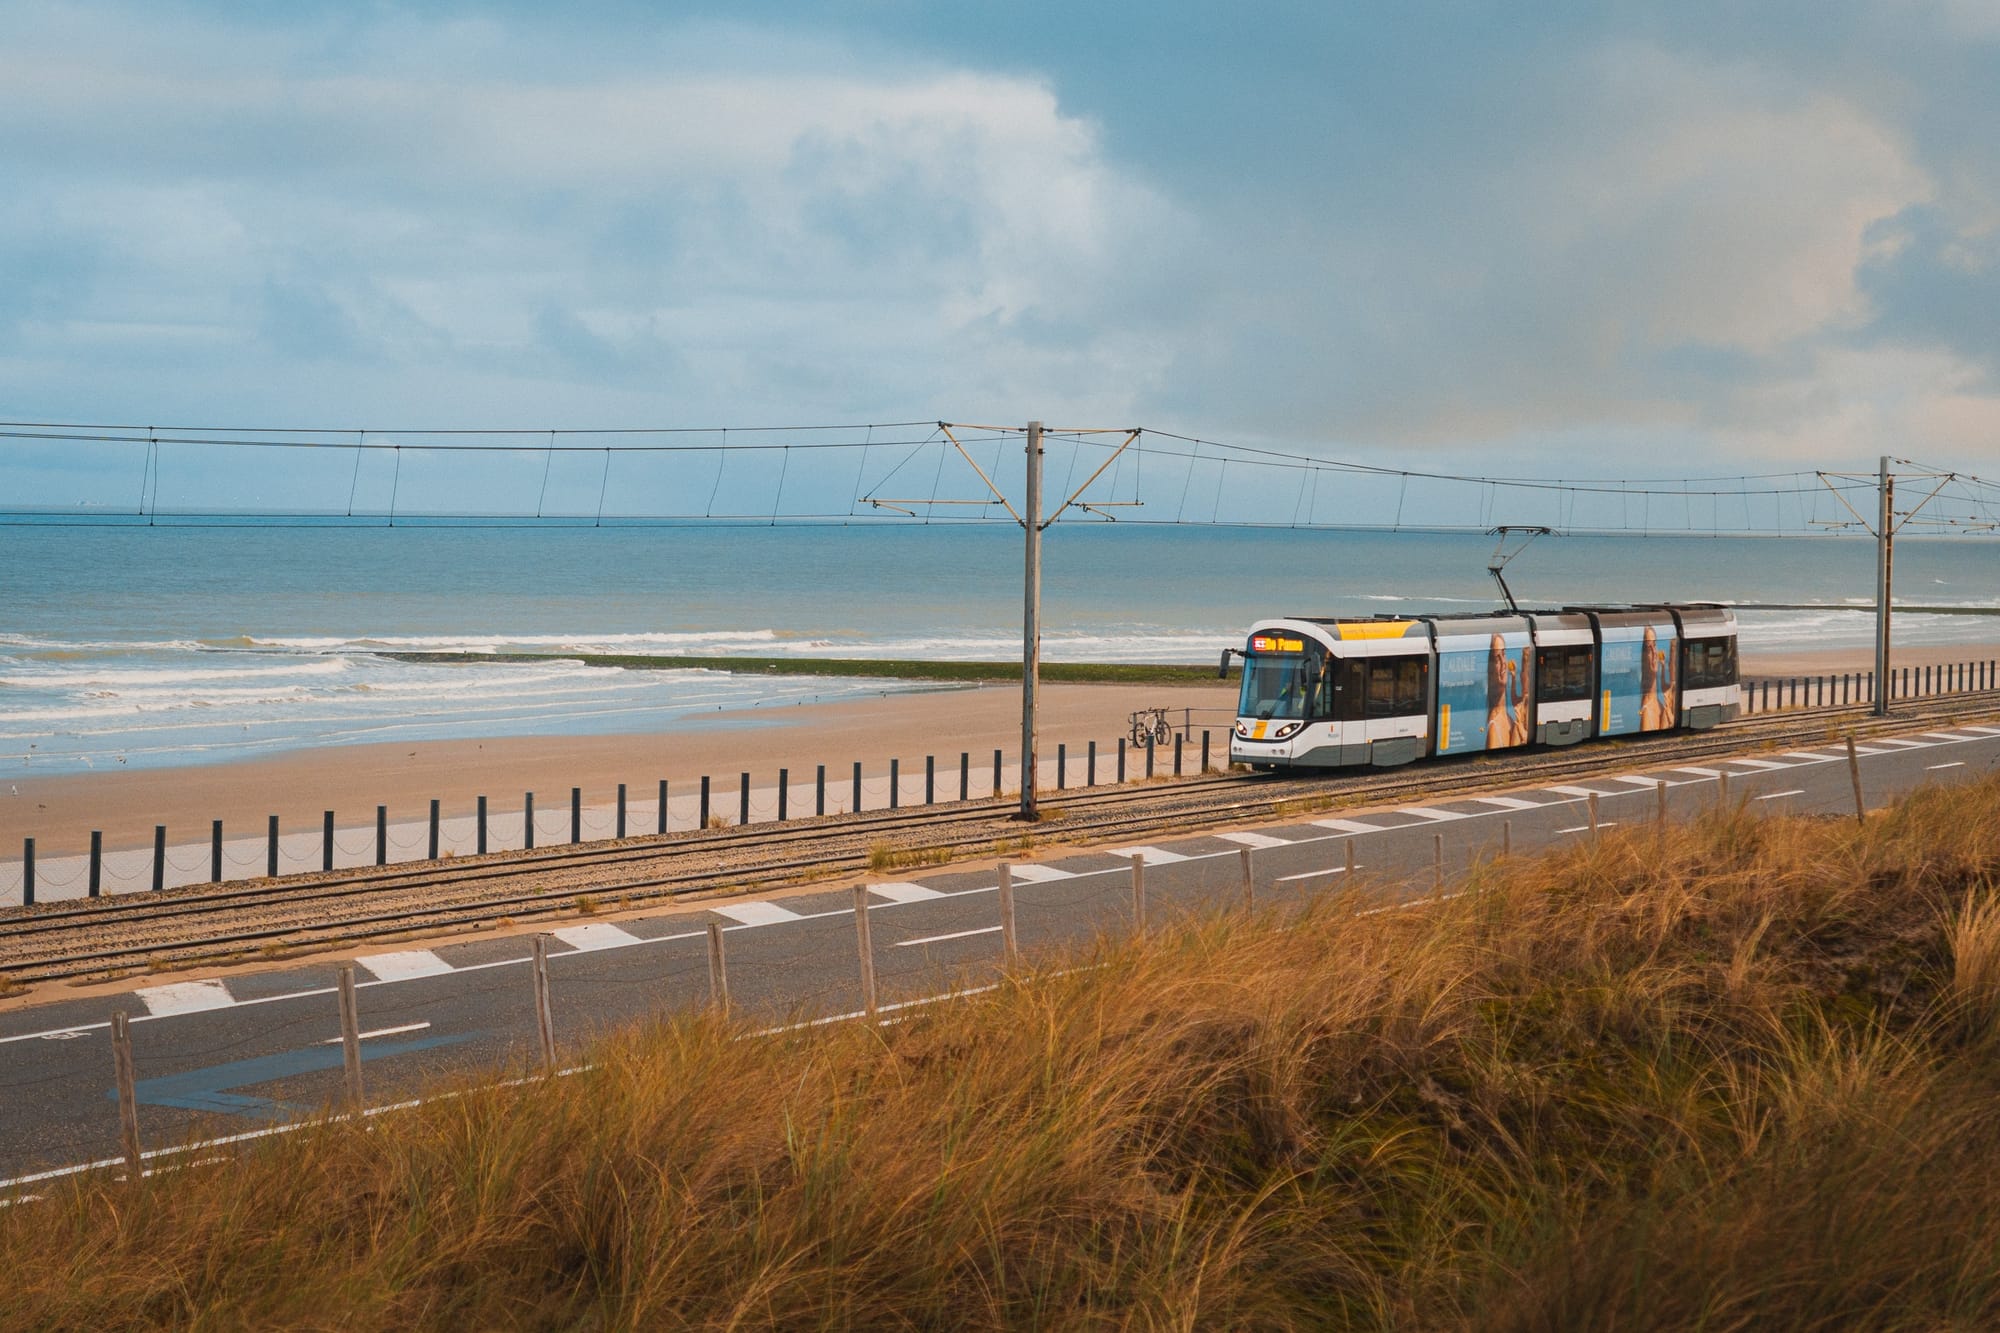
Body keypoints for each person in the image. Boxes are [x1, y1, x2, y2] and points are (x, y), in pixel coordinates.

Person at [1486, 634, 1530, 747]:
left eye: (1504, 654)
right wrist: (1514, 677)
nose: (1503, 662)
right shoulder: (1495, 728)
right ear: (1489, 671)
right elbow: (1514, 697)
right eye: (1497, 658)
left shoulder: (1509, 719)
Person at [1639, 625, 1677, 731]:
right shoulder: (1647, 711)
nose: (1655, 652)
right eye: (1648, 648)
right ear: (1643, 656)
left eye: (1654, 645)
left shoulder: (1658, 703)